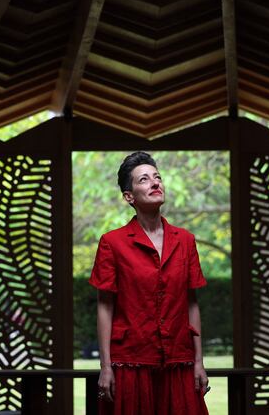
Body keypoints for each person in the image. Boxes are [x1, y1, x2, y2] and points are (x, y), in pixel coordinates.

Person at [89, 152, 210, 415]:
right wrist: (106, 366)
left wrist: (199, 362)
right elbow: (104, 307)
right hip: (130, 362)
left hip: (179, 361)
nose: (155, 183)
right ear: (129, 196)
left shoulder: (186, 240)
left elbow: (191, 303)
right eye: (144, 179)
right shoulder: (112, 243)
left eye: (157, 177)